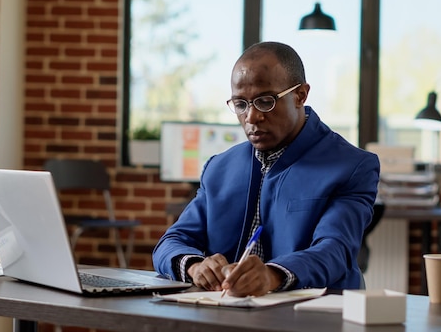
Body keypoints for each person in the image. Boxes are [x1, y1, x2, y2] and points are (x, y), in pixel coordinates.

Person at [153, 41, 379, 297]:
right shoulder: (218, 168)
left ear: (301, 95)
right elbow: (170, 243)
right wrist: (195, 266)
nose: (251, 117)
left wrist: (272, 275)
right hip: (229, 312)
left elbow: (335, 250)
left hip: (316, 315)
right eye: (240, 104)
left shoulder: (351, 166)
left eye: (265, 101)